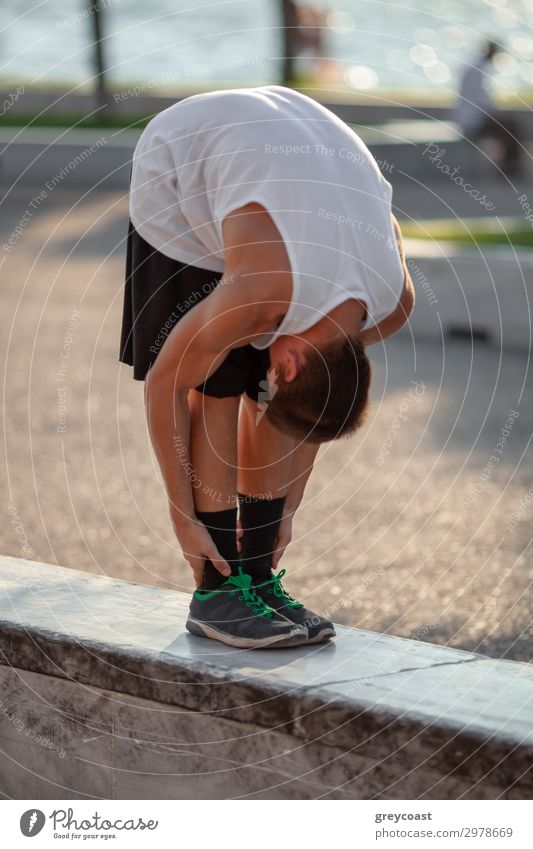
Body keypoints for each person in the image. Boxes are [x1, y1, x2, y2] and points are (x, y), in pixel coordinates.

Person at [119, 85, 414, 649]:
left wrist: (286, 511)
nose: (270, 374)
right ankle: (216, 591)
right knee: (218, 382)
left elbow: (312, 409)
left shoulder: (389, 304)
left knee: (270, 393)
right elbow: (168, 384)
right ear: (295, 359)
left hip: (287, 153)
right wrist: (184, 519)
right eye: (278, 376)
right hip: (187, 163)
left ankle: (254, 574)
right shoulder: (258, 292)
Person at [454, 40, 523, 177]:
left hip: (472, 118)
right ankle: (509, 169)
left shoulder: (475, 68)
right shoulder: (477, 71)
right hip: (473, 121)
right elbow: (479, 101)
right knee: (510, 127)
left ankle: (508, 166)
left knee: (509, 127)